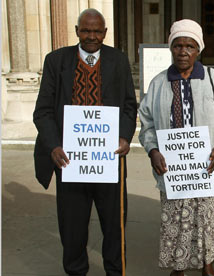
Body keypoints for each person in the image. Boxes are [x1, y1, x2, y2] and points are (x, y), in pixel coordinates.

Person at [33, 9, 137, 276]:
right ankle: (76, 272)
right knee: (72, 229)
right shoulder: (56, 61)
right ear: (77, 30)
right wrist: (54, 146)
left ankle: (116, 271)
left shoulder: (118, 60)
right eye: (86, 30)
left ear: (105, 33)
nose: (91, 36)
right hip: (70, 162)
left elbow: (128, 106)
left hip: (108, 162)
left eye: (97, 31)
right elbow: (43, 111)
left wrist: (124, 136)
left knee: (115, 228)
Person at [138, 19, 214, 276]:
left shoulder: (212, 78)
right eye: (178, 46)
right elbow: (146, 123)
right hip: (172, 168)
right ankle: (178, 267)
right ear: (171, 48)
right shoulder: (159, 83)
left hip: (206, 165)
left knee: (206, 218)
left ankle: (207, 264)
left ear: (198, 49)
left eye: (190, 46)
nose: (183, 51)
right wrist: (153, 150)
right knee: (176, 219)